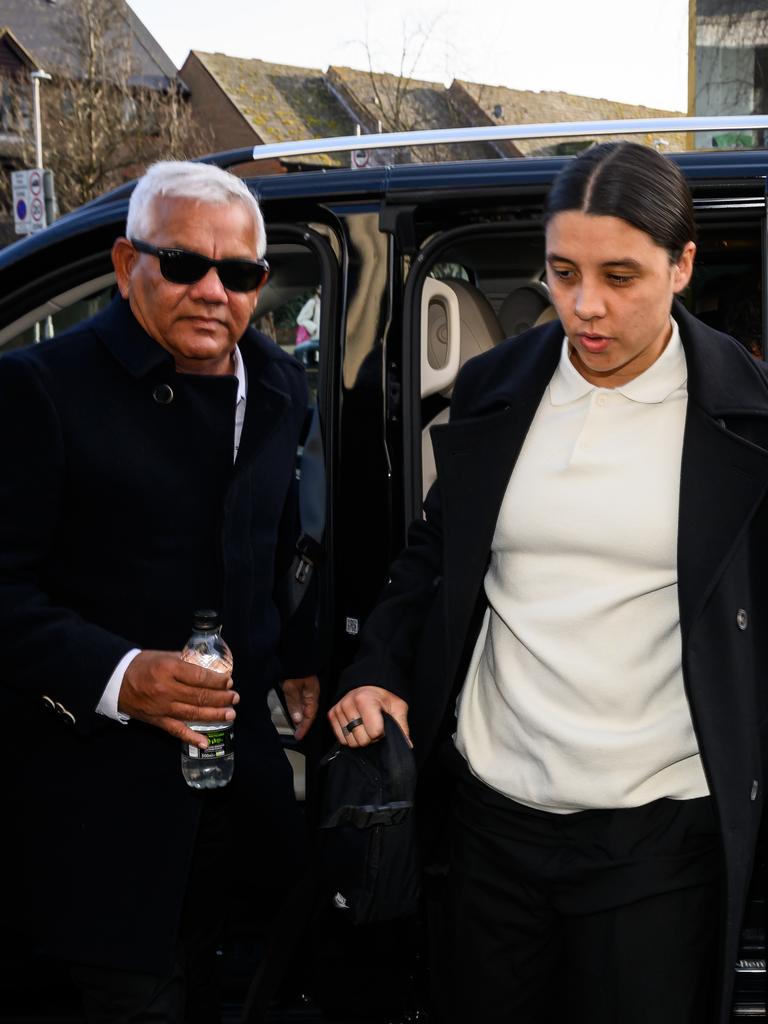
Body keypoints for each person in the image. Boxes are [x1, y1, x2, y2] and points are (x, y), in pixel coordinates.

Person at [329, 142, 768, 1024]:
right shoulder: (497, 387)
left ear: (682, 266)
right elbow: (434, 554)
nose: (585, 306)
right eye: (563, 272)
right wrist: (373, 665)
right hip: (492, 825)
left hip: (657, 837)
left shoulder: (745, 415)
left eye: (620, 275)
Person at [0, 160, 319, 1022]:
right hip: (101, 815)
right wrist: (118, 674)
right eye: (183, 264)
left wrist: (297, 654)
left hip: (241, 787)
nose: (214, 290)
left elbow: (274, 535)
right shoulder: (43, 389)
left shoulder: (280, 384)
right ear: (123, 263)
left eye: (242, 272)